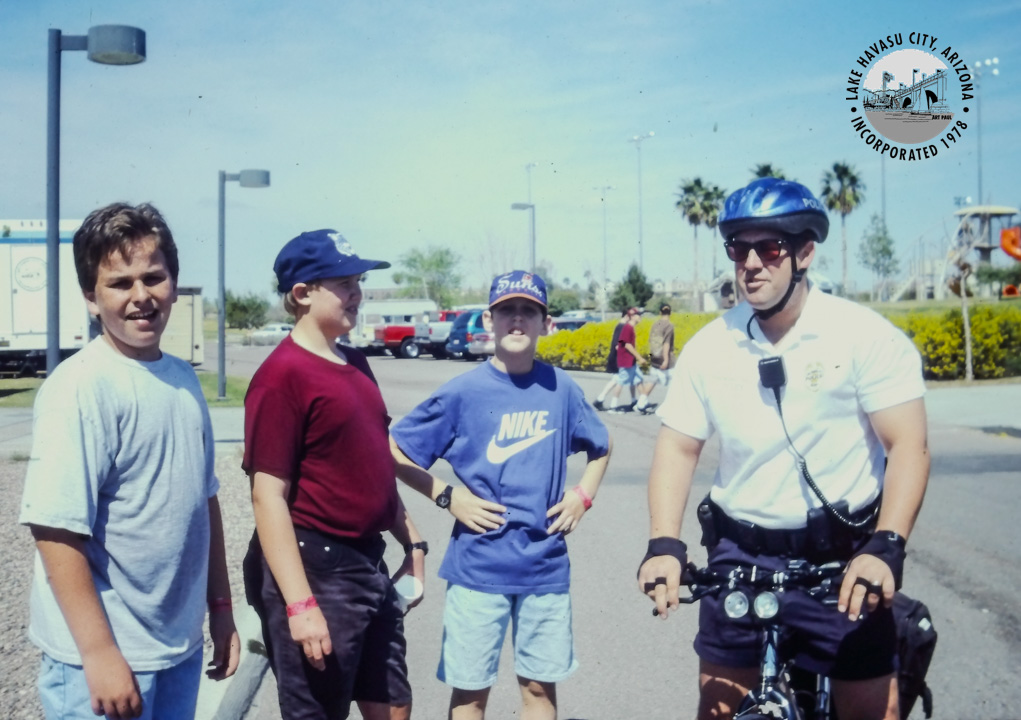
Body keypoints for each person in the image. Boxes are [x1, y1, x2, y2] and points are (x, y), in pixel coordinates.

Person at [637, 178, 930, 720]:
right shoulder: (710, 347)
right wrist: (663, 543)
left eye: (768, 248)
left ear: (804, 253)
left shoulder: (863, 336)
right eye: (738, 248)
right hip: (741, 557)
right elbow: (678, 449)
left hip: (843, 561)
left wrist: (887, 543)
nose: (751, 263)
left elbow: (908, 445)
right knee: (719, 710)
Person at [19, 202, 240, 720]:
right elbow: (55, 529)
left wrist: (222, 610)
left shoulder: (183, 379)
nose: (141, 296)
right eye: (120, 283)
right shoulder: (79, 387)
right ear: (91, 298)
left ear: (173, 283)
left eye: (154, 277)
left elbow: (203, 502)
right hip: (104, 660)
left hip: (175, 649)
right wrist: (98, 654)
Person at [390, 270, 612, 720]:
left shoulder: (561, 388)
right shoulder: (463, 391)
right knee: (470, 694)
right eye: (507, 310)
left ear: (545, 323)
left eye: (528, 311)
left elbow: (601, 446)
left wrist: (582, 497)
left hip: (543, 567)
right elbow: (394, 449)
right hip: (478, 567)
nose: (517, 320)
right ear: (489, 320)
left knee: (538, 690)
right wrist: (448, 496)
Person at [242, 229, 425, 720]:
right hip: (317, 570)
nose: (357, 294)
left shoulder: (355, 362)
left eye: (358, 281)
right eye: (344, 283)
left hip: (369, 562)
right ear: (302, 293)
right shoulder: (281, 376)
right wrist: (300, 606)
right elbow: (267, 497)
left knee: (392, 704)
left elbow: (370, 465)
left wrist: (413, 542)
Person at [635, 303, 675, 413]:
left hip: (655, 357)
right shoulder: (669, 325)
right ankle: (671, 406)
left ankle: (640, 403)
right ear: (670, 313)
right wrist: (666, 360)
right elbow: (666, 344)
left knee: (651, 381)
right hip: (666, 359)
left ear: (660, 312)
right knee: (675, 381)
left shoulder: (655, 324)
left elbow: (651, 341)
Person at [608, 308, 648, 412]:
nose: (640, 317)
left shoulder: (629, 328)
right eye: (639, 315)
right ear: (633, 316)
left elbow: (621, 341)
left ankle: (642, 404)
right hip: (626, 361)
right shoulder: (628, 328)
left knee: (639, 379)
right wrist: (639, 357)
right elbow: (627, 345)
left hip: (630, 360)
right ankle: (613, 406)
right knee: (621, 382)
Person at [592, 308, 631, 410]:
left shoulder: (619, 326)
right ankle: (602, 399)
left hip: (616, 356)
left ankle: (600, 399)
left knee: (619, 379)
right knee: (617, 379)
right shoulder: (622, 327)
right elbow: (618, 345)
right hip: (618, 357)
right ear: (627, 316)